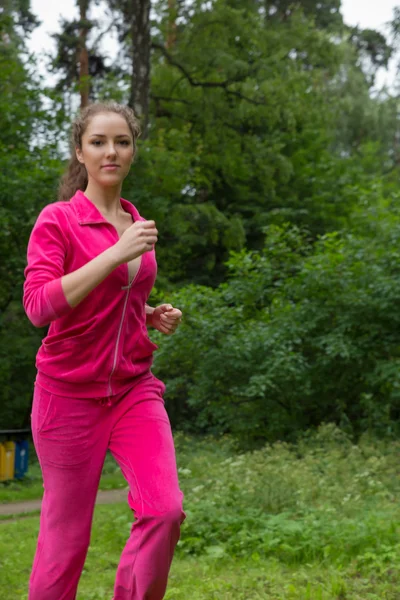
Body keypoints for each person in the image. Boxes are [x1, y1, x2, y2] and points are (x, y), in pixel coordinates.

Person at [23, 101, 186, 600]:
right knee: (64, 543)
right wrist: (116, 252)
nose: (110, 151)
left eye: (121, 141)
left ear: (133, 150)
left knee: (165, 510)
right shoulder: (59, 221)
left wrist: (147, 313)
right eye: (98, 142)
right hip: (67, 397)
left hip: (134, 389)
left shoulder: (136, 223)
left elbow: (114, 298)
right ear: (80, 151)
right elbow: (38, 305)